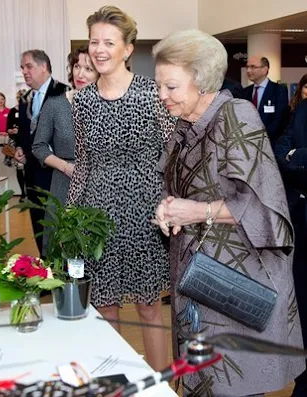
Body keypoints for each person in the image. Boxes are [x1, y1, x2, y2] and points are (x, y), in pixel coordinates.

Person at [153, 29, 304, 396]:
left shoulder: (236, 116)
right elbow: (177, 186)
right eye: (160, 86)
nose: (162, 96)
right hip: (197, 278)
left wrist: (196, 211)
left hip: (233, 280)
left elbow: (265, 206)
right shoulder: (185, 124)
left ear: (202, 80)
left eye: (171, 87)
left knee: (230, 385)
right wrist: (168, 209)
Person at [66, 6, 172, 371]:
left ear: (127, 49)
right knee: (105, 306)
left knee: (149, 307)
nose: (99, 49)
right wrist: (71, 216)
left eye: (108, 42)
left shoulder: (152, 94)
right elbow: (83, 161)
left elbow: (172, 154)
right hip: (98, 215)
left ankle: (159, 386)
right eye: (94, 41)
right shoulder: (81, 101)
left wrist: (174, 207)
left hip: (147, 212)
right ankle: (114, 381)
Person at [32, 45, 98, 254]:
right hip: (63, 183)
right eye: (77, 66)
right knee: (61, 249)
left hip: (97, 184)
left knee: (94, 248)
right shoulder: (55, 105)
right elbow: (39, 146)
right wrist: (66, 167)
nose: (80, 73)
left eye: (88, 69)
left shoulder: (107, 105)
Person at [14, 50, 69, 255]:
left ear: (44, 66)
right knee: (38, 223)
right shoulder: (25, 98)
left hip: (56, 172)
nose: (24, 72)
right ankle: (45, 267)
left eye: (28, 66)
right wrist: (20, 147)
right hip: (32, 172)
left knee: (55, 223)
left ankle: (59, 268)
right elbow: (24, 131)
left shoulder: (63, 93)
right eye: (22, 68)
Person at [274, 96, 307, 397]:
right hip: (301, 223)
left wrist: (300, 155)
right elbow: (280, 154)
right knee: (302, 305)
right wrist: (297, 158)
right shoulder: (302, 111)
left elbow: (294, 158)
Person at [242, 55, 289, 144]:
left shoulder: (278, 90)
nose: (248, 70)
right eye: (247, 67)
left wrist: (259, 136)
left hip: (271, 143)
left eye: (253, 67)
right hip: (249, 143)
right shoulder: (245, 92)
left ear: (265, 69)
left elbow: (279, 120)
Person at [5, 89, 27, 201]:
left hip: (27, 144)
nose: (21, 99)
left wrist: (21, 131)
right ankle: (22, 192)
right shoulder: (12, 111)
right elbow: (7, 128)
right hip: (15, 142)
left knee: (28, 169)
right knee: (18, 169)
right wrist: (11, 130)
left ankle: (29, 192)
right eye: (19, 97)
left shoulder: (30, 110)